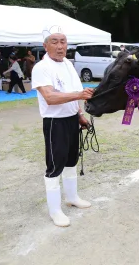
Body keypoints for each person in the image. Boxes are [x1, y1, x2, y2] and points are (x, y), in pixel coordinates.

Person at [31, 25, 94, 227]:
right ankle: (55, 210)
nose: (60, 46)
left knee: (71, 160)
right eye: (54, 42)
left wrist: (80, 115)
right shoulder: (41, 68)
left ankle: (72, 197)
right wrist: (80, 95)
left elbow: (73, 91)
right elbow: (49, 97)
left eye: (63, 41)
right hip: (54, 122)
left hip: (70, 119)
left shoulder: (67, 63)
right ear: (45, 46)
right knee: (54, 166)